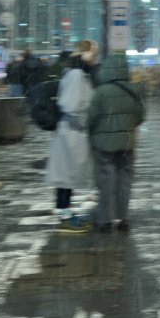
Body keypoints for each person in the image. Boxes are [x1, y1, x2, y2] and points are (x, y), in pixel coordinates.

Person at [87, 53, 145, 233]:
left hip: (103, 144)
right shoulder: (132, 90)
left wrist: (94, 132)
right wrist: (126, 127)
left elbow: (91, 118)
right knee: (125, 180)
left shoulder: (100, 92)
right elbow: (140, 116)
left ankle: (105, 220)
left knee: (106, 180)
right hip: (127, 143)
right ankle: (122, 218)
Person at [45, 40, 98, 233]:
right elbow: (70, 106)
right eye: (93, 55)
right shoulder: (76, 75)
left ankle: (66, 213)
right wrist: (88, 120)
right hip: (72, 134)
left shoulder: (76, 73)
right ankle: (64, 217)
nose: (95, 59)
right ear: (84, 55)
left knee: (67, 177)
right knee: (66, 177)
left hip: (72, 134)